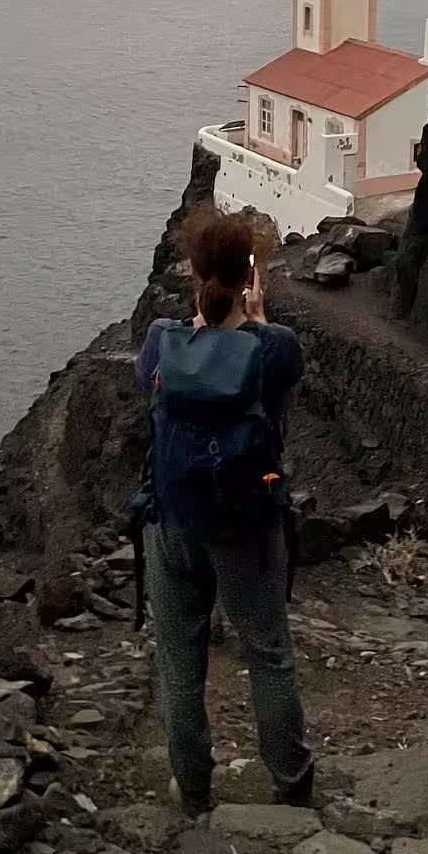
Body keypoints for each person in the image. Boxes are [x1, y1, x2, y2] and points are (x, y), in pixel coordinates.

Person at [135, 208, 313, 817]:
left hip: (174, 521)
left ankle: (194, 790)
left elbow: (151, 385)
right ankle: (291, 784)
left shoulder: (162, 339)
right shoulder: (274, 347)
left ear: (193, 271)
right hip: (246, 524)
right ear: (249, 277)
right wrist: (256, 321)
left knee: (180, 663)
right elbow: (281, 394)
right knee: (266, 652)